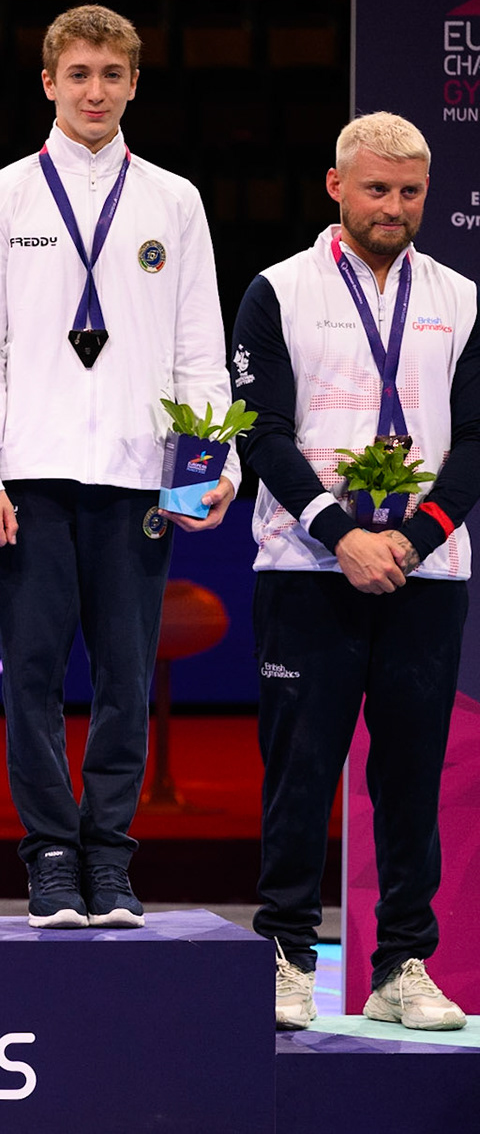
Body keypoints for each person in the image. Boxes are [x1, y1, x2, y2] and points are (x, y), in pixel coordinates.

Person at [0, 5, 237, 929]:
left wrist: (210, 464)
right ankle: (47, 858)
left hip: (135, 475)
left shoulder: (173, 200)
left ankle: (108, 860)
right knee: (31, 676)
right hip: (31, 475)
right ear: (48, 82)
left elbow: (202, 347)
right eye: (78, 74)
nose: (95, 91)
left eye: (112, 75)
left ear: (135, 84)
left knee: (123, 674)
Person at [233, 112, 477, 1031]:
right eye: (377, 189)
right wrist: (341, 532)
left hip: (428, 573)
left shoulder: (463, 297)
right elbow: (259, 430)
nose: (395, 206)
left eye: (411, 191)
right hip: (305, 566)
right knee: (299, 769)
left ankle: (401, 964)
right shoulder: (279, 290)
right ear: (337, 187)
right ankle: (288, 954)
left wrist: (414, 537)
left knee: (411, 776)